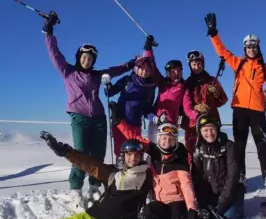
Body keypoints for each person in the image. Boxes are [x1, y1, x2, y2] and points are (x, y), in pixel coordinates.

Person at [0, 135, 151, 219]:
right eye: (129, 154)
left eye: (137, 154)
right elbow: (89, 164)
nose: (133, 158)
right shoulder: (112, 173)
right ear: (123, 156)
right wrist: (67, 152)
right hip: (94, 217)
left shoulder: (148, 175)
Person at [42, 11, 135, 196]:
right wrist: (49, 32)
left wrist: (130, 64)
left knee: (98, 156)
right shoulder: (68, 72)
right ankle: (76, 189)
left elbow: (114, 70)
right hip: (80, 119)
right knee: (80, 154)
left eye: (90, 58)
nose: (87, 60)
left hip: (99, 119)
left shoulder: (96, 75)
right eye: (84, 57)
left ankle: (94, 188)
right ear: (79, 57)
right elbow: (55, 54)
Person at [204, 12, 266, 187]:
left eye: (254, 47)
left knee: (262, 144)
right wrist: (214, 33)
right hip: (239, 110)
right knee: (239, 146)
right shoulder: (238, 63)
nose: (251, 49)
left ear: (258, 48)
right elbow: (222, 52)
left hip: (257, 111)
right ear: (245, 49)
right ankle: (240, 175)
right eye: (248, 47)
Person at [139, 123, 200, 219]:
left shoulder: (180, 157)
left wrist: (192, 208)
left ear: (175, 141)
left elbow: (186, 185)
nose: (167, 141)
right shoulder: (154, 152)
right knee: (148, 215)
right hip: (160, 201)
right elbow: (135, 137)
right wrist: (120, 122)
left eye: (171, 139)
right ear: (159, 138)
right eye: (164, 138)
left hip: (177, 200)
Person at [102, 37, 157, 157]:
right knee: (120, 152)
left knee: (135, 152)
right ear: (136, 69)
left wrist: (153, 117)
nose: (144, 71)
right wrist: (107, 84)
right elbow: (109, 93)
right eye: (142, 68)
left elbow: (147, 108)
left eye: (147, 69)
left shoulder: (150, 86)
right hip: (119, 122)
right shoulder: (128, 80)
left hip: (135, 124)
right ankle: (119, 172)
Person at [191, 113, 244, 219]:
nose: (209, 133)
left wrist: (222, 203)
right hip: (211, 192)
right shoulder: (198, 150)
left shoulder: (229, 146)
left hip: (230, 191)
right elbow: (198, 178)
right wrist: (203, 202)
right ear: (199, 131)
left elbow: (233, 176)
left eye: (212, 129)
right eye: (205, 130)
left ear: (218, 129)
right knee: (207, 218)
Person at [181, 50, 228, 157]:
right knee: (192, 152)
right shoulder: (187, 83)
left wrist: (217, 93)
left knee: (214, 151)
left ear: (203, 64)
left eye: (199, 64)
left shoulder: (212, 80)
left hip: (212, 120)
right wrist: (196, 107)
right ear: (190, 66)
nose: (197, 66)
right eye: (194, 64)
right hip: (192, 125)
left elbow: (223, 100)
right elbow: (185, 104)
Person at [145, 58, 196, 141]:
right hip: (155, 121)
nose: (177, 73)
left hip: (170, 124)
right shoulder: (162, 83)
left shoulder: (183, 87)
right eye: (173, 71)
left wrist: (197, 116)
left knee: (168, 149)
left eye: (179, 71)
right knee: (152, 148)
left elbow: (188, 108)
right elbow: (153, 69)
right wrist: (148, 50)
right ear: (168, 73)